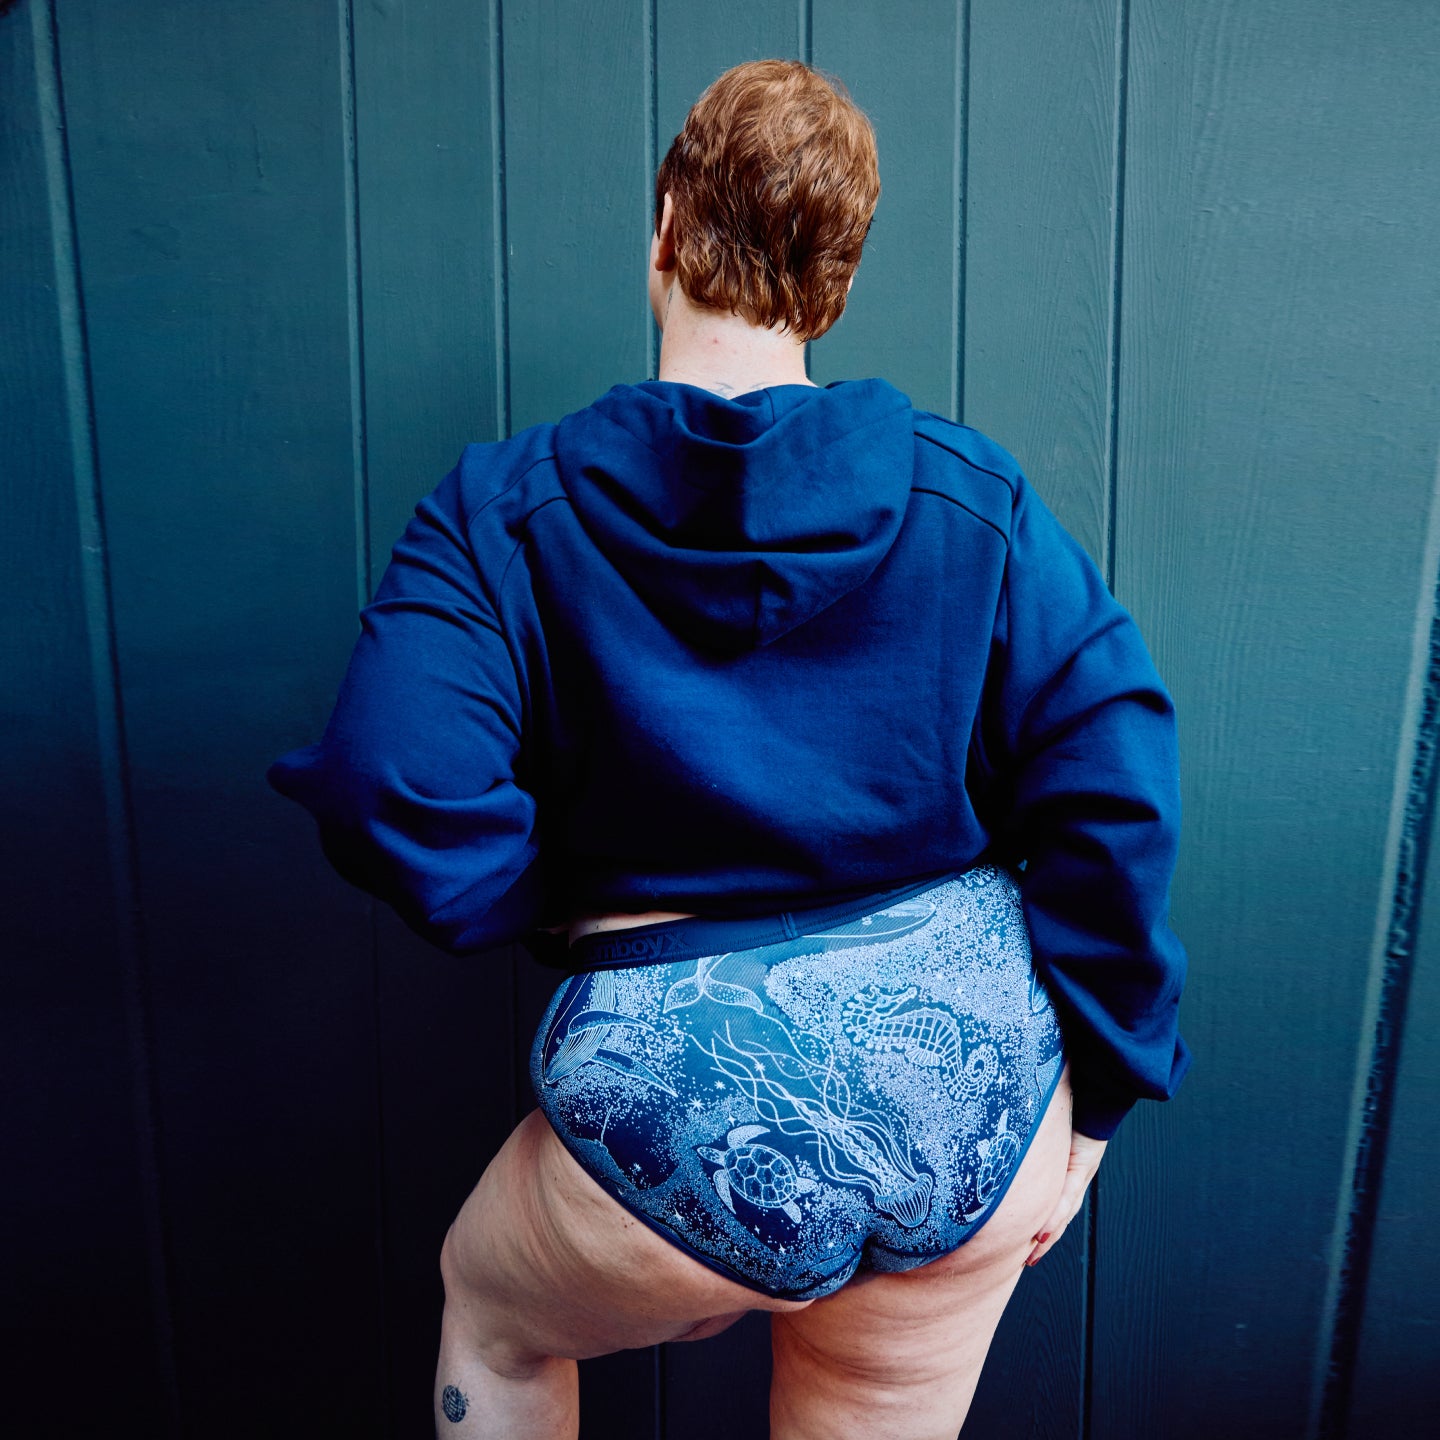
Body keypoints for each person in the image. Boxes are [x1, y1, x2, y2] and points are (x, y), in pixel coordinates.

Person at [268, 59, 1189, 1439]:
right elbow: (1113, 776)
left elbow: (381, 777)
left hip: (672, 1080)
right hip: (964, 1079)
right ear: (836, 275)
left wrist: (561, 909)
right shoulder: (972, 495)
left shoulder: (503, 509)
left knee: (496, 1323)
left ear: (663, 228)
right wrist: (1099, 1098)